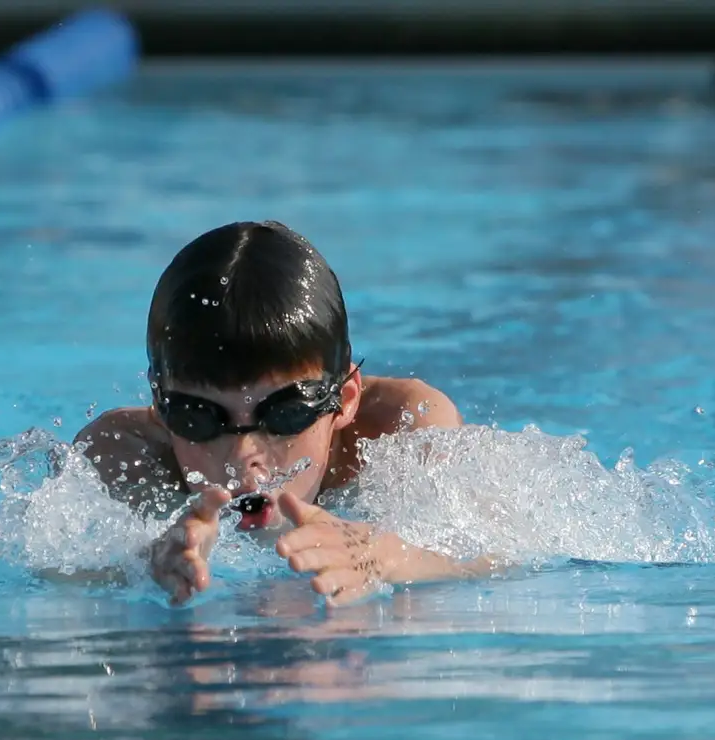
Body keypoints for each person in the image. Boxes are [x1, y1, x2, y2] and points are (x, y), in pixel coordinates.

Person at [74, 220, 488, 606]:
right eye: (197, 418)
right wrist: (142, 562)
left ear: (344, 400)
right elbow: (64, 578)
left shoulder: (404, 428)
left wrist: (381, 557)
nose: (242, 456)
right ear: (161, 410)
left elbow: (489, 561)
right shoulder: (122, 454)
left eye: (286, 415)